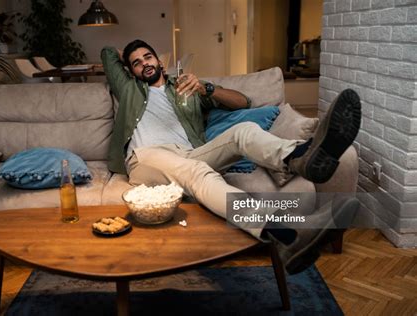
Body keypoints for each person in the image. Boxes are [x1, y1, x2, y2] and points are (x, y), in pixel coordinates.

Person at [101, 39, 362, 274]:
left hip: (190, 154)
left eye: (148, 57)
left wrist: (207, 89)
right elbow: (106, 53)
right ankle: (286, 236)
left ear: (159, 61)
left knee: (243, 131)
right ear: (130, 71)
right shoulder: (128, 88)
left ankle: (301, 157)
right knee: (199, 174)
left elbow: (243, 102)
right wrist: (123, 52)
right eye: (135, 63)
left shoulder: (185, 88)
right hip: (146, 157)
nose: (143, 64)